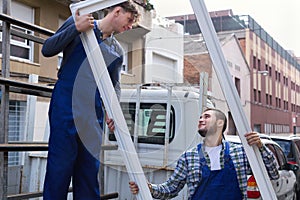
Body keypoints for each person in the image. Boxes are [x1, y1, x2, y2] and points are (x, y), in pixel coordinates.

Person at [42, 1, 139, 199]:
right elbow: (47, 49)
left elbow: (114, 85)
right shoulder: (79, 21)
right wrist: (76, 29)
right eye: (129, 20)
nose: (129, 27)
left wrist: (113, 111)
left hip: (93, 111)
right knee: (59, 166)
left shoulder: (117, 51)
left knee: (88, 170)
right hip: (66, 103)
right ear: (117, 11)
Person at [129, 108, 279, 200]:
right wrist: (148, 188)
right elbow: (171, 189)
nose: (201, 119)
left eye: (207, 117)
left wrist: (260, 147)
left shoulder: (239, 153)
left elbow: (272, 173)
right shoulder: (189, 157)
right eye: (200, 117)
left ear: (220, 123)